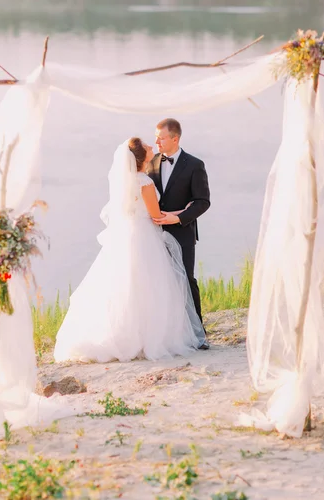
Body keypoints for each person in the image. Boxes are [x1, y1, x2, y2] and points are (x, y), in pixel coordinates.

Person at [54, 137, 206, 363]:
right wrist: (182, 211)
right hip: (145, 236)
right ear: (141, 157)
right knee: (149, 287)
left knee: (126, 286)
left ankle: (124, 335)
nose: (150, 146)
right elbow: (156, 217)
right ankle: (147, 338)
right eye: (146, 146)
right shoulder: (144, 182)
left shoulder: (127, 182)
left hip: (127, 236)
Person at [147, 118, 210, 349]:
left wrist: (178, 217)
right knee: (160, 283)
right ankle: (170, 334)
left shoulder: (195, 165)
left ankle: (199, 335)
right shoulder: (151, 162)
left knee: (186, 281)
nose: (156, 142)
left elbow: (203, 202)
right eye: (156, 137)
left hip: (183, 233)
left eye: (161, 138)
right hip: (153, 234)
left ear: (175, 138)